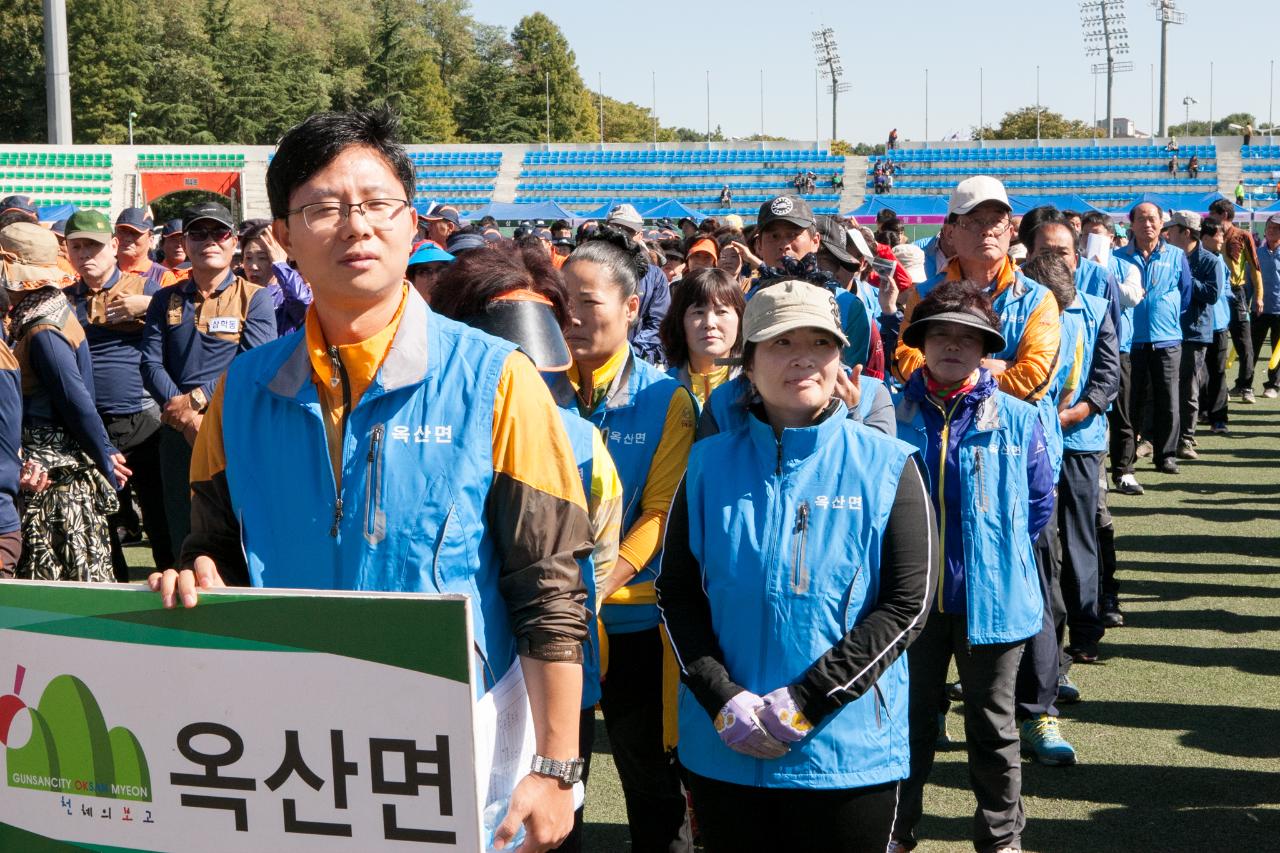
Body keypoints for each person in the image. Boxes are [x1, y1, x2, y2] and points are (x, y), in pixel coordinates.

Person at [150, 109, 592, 853]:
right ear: (284, 238)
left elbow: (549, 584)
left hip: (454, 740)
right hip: (294, 742)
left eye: (378, 204)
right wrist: (200, 576)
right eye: (323, 207)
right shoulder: (243, 389)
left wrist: (555, 762)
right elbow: (215, 543)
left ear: (410, 223)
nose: (356, 226)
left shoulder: (498, 381)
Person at [656, 280, 936, 852]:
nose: (803, 357)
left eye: (820, 343)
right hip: (724, 749)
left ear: (841, 360)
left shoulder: (889, 464)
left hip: (847, 754)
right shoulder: (707, 464)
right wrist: (722, 697)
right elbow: (677, 594)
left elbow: (908, 606)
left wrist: (805, 702)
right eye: (782, 343)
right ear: (749, 364)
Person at [430, 243, 623, 853]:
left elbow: (592, 566)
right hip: (469, 678)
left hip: (548, 678)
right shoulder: (580, 435)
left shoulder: (584, 440)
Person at [889, 280, 1053, 853]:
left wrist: (993, 562)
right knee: (906, 729)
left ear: (986, 349)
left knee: (993, 727)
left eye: (968, 337)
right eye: (941, 334)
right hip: (908, 606)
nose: (953, 346)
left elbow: (1038, 506)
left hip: (994, 601)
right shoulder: (892, 411)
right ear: (922, 343)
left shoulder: (1018, 416)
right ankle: (895, 832)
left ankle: (1001, 838)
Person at [551, 229, 696, 852]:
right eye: (564, 304)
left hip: (636, 622)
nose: (575, 318)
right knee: (558, 775)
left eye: (589, 302)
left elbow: (660, 515)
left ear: (632, 307)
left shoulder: (668, 400)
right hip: (552, 623)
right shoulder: (535, 388)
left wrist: (598, 583)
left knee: (649, 784)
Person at [140, 201, 276, 567]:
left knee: (237, 527)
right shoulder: (165, 298)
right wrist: (184, 417)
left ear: (233, 243)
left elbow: (254, 365)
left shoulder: (255, 298)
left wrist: (198, 401)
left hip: (231, 429)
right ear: (184, 242)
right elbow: (150, 363)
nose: (209, 241)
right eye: (197, 233)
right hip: (176, 433)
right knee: (179, 527)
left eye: (219, 232)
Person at [0, 222, 130, 582]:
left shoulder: (42, 330)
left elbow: (77, 402)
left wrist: (104, 453)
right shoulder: (48, 310)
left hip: (52, 476)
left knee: (56, 578)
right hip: (54, 463)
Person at [62, 209, 173, 579]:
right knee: (102, 521)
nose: (85, 254)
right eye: (76, 246)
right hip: (89, 427)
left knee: (161, 518)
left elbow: (184, 321)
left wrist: (151, 305)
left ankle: (176, 591)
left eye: (92, 246)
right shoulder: (62, 300)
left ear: (113, 246)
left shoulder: (145, 289)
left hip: (145, 421)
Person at [895, 176, 1061, 409]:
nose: (988, 231)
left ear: (1010, 231)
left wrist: (950, 374)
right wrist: (991, 368)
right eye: (974, 221)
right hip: (938, 426)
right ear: (950, 233)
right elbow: (905, 360)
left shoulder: (1037, 299)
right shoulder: (925, 295)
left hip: (1013, 436)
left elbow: (1034, 376)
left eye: (996, 221)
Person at [1114, 202, 1193, 476]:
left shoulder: (1176, 255)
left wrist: (1166, 314)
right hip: (1130, 342)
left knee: (1168, 401)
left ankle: (1166, 455)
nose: (1147, 225)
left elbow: (1186, 294)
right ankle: (1126, 457)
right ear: (1131, 224)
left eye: (1152, 219)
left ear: (1162, 223)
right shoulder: (1118, 257)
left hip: (1167, 339)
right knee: (1129, 402)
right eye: (1141, 220)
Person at [1162, 212, 1225, 457]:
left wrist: (1187, 280)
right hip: (1168, 329)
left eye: (1172, 230)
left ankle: (1186, 438)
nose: (1167, 234)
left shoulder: (1210, 261)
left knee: (1188, 387)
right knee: (1165, 385)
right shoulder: (1169, 257)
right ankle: (1160, 435)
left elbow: (1212, 294)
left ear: (1185, 232)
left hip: (1194, 331)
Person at [659, 267, 745, 405]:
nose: (710, 323)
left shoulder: (757, 388)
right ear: (679, 321)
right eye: (698, 312)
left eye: (721, 311)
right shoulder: (661, 391)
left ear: (740, 319)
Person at [1208, 198, 1264, 402]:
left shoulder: (1243, 235)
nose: (1210, 218)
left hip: (1236, 292)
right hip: (1214, 294)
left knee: (1244, 343)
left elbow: (1255, 267)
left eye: (1213, 214)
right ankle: (1219, 388)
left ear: (1223, 215)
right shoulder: (1210, 234)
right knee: (1216, 342)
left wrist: (1259, 296)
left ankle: (1245, 386)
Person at [605, 204, 671, 365]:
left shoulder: (655, 276)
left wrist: (631, 353)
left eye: (628, 231)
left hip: (640, 361)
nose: (621, 236)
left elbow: (658, 322)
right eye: (616, 228)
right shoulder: (589, 269)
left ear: (640, 235)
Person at [238, 219, 313, 336]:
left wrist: (279, 264)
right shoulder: (236, 293)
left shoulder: (287, 297)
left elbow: (302, 303)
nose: (253, 266)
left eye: (262, 258)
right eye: (248, 258)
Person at [1198, 218, 1232, 434]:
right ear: (1205, 238)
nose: (1222, 239)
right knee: (1199, 373)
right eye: (1219, 235)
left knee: (1217, 371)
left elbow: (1226, 289)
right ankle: (1202, 411)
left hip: (1219, 323)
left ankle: (1218, 418)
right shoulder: (1196, 259)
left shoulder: (1221, 261)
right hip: (1200, 325)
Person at [114, 208, 177, 289]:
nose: (127, 238)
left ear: (150, 240)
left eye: (135, 233)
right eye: (122, 231)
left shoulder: (163, 276)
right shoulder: (104, 271)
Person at [1253, 213, 1280, 397]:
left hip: (1279, 310)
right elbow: (1250, 280)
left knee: (1276, 352)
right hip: (1259, 310)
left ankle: (1273, 385)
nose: (1271, 231)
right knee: (1250, 349)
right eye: (1269, 227)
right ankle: (1244, 383)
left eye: (1276, 228)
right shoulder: (1257, 253)